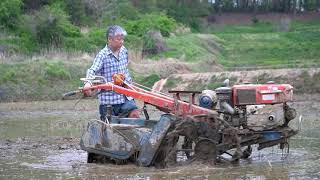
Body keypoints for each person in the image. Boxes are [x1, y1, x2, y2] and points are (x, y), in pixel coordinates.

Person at [83, 25, 139, 121]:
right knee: (109, 129)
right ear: (110, 39)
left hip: (126, 97)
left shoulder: (124, 51)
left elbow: (125, 70)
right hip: (109, 101)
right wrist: (88, 83)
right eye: (118, 39)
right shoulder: (102, 55)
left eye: (122, 39)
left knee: (134, 115)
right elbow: (93, 70)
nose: (122, 41)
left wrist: (130, 84)